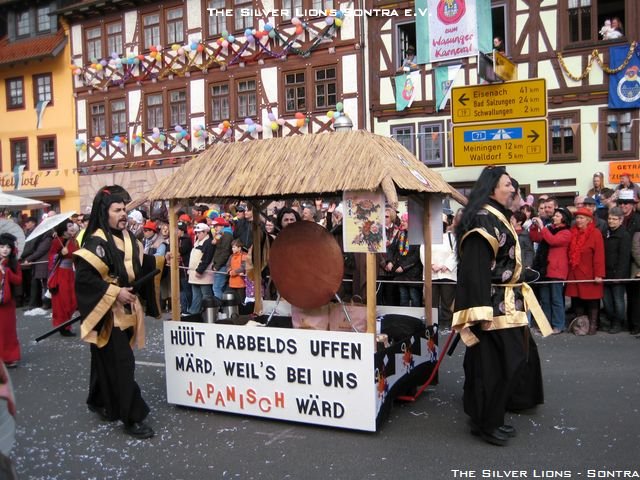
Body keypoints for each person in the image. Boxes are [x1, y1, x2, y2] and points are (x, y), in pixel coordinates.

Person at [453, 166, 549, 446]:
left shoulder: (497, 217)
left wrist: (521, 274)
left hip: (508, 303)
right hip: (492, 308)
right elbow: (474, 270)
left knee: (500, 362)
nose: (513, 189)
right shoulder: (484, 221)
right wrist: (478, 313)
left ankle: (488, 417)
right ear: (492, 188)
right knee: (495, 366)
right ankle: (487, 422)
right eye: (508, 184)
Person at [73, 185, 159, 439]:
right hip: (106, 312)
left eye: (124, 210)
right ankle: (132, 417)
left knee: (103, 357)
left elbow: (138, 266)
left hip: (126, 308)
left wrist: (161, 262)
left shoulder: (129, 238)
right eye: (117, 210)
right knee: (122, 362)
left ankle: (98, 400)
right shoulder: (95, 241)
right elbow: (84, 279)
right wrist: (114, 292)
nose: (123, 214)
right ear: (105, 212)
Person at [529, 208, 572, 333]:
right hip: (544, 269)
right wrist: (534, 227)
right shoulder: (549, 229)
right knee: (545, 299)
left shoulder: (566, 233)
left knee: (556, 299)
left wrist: (542, 227)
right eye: (555, 215)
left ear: (564, 219)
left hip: (557, 270)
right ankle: (546, 325)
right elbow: (536, 237)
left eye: (557, 216)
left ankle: (558, 325)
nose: (554, 217)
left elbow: (553, 240)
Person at [565, 208, 605, 335]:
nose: (578, 220)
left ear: (589, 220)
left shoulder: (596, 233)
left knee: (592, 300)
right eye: (577, 218)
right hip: (575, 272)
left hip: (590, 273)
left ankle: (593, 325)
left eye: (581, 218)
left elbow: (599, 256)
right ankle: (580, 325)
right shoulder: (573, 233)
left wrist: (599, 274)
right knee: (577, 300)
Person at [48, 219, 79, 336]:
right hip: (60, 274)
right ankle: (63, 326)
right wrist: (60, 254)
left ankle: (66, 323)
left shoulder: (74, 241)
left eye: (72, 225)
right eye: (69, 226)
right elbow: (51, 257)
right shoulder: (58, 241)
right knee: (63, 300)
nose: (72, 227)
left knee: (72, 300)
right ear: (64, 229)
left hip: (70, 273)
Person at [602, 207, 630, 334]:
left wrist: (619, 276)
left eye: (614, 219)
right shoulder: (605, 233)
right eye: (609, 218)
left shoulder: (624, 235)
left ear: (621, 220)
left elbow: (624, 258)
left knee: (618, 300)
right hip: (605, 273)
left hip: (617, 274)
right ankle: (611, 320)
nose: (611, 221)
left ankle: (618, 322)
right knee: (607, 301)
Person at [0, 234, 22, 369]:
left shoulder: (13, 263)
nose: (5, 250)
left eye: (8, 247)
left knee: (8, 330)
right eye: (2, 246)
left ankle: (9, 357)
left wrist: (7, 272)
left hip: (8, 303)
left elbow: (18, 280)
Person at [186, 223, 215, 315]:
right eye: (196, 233)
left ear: (206, 232)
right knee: (196, 295)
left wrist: (199, 270)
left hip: (203, 274)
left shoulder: (208, 243)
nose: (197, 234)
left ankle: (208, 313)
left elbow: (206, 258)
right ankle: (194, 312)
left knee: (206, 295)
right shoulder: (197, 242)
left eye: (199, 232)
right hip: (194, 274)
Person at [211, 217, 233, 301]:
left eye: (217, 226)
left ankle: (219, 306)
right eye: (214, 226)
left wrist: (217, 265)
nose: (215, 228)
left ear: (222, 226)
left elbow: (225, 252)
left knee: (217, 288)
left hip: (222, 265)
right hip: (220, 264)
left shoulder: (227, 235)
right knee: (219, 287)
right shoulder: (221, 234)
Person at [226, 239, 248, 305]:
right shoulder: (231, 256)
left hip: (241, 282)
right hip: (232, 282)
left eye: (234, 247)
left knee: (241, 300)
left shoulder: (244, 255)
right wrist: (229, 270)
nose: (232, 249)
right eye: (232, 247)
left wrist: (234, 272)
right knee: (233, 301)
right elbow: (228, 265)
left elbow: (243, 267)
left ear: (239, 248)